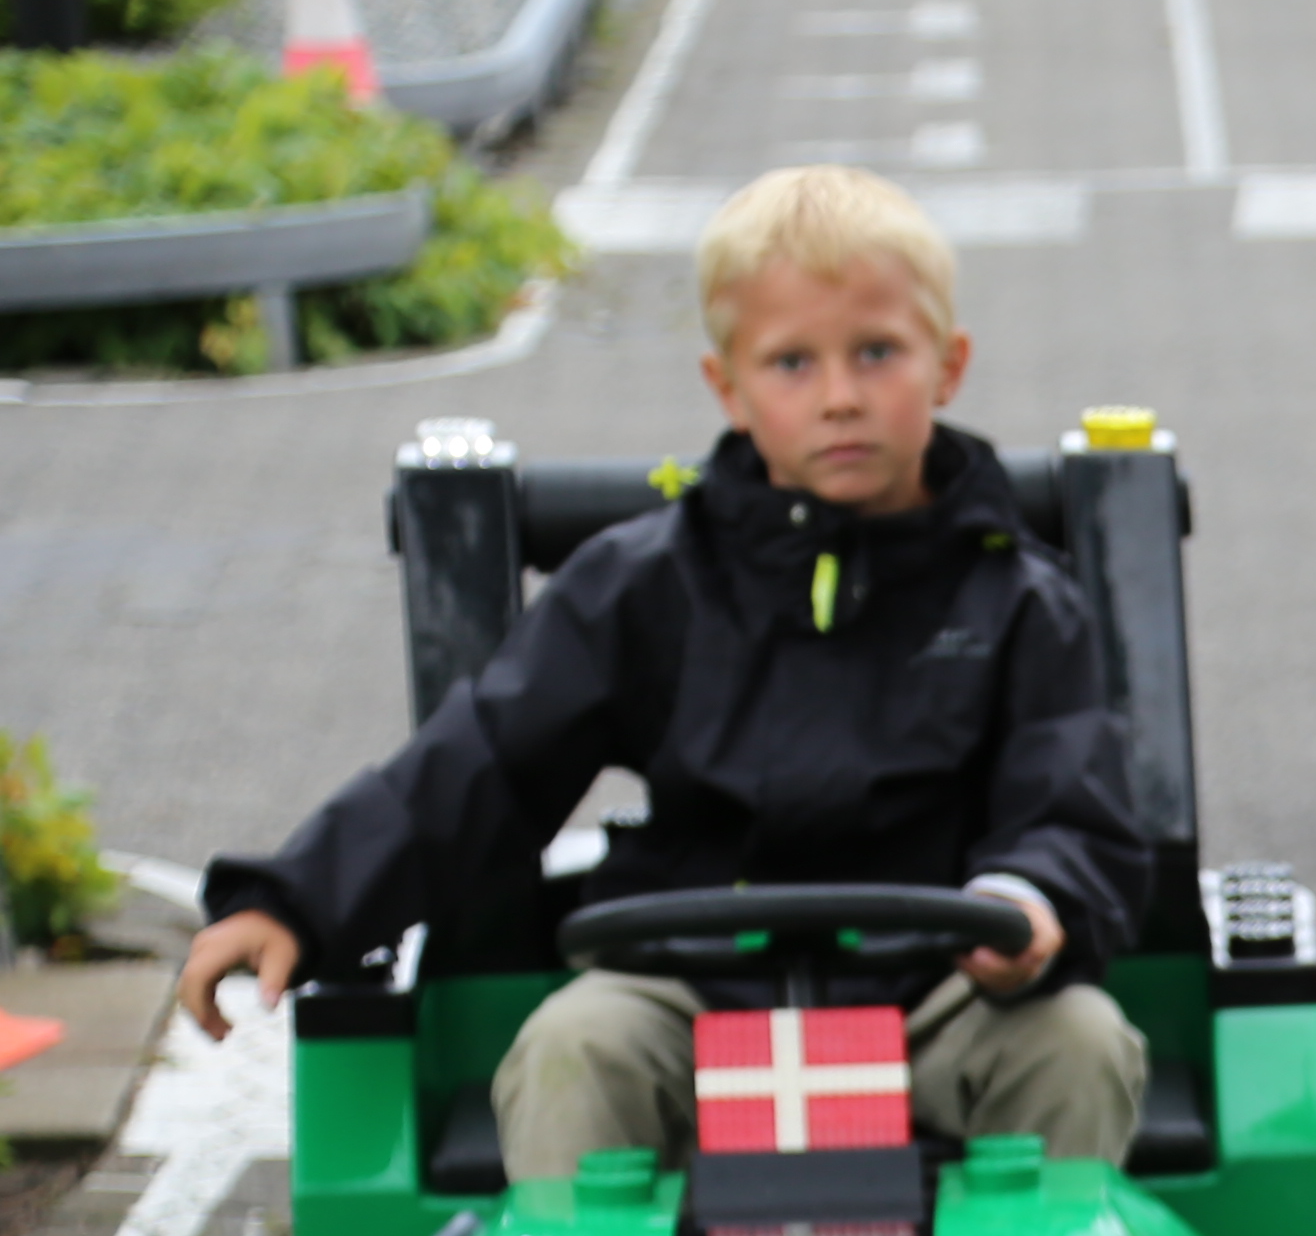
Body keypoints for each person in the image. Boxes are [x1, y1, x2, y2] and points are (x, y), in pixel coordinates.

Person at [174, 168, 1148, 1182]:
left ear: (947, 366)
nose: (841, 396)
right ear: (726, 387)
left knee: (1080, 1047)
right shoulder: (643, 584)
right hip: (692, 986)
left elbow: (1070, 803)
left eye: (876, 353)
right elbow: (487, 764)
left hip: (940, 985)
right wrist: (296, 900)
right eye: (791, 364)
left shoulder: (1021, 598)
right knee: (568, 1054)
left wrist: (1034, 901)